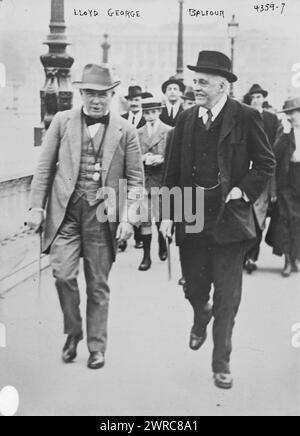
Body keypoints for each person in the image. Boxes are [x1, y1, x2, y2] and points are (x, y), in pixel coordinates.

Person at [160, 51, 275, 389]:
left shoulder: (246, 116)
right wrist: (167, 214)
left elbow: (265, 164)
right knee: (195, 288)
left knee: (227, 296)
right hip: (191, 214)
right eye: (195, 81)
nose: (196, 88)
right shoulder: (185, 119)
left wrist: (242, 191)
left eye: (203, 83)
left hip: (230, 220)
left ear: (223, 85)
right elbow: (172, 170)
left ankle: (221, 361)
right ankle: (200, 315)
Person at [28, 64, 144, 370]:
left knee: (97, 284)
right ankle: (73, 330)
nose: (97, 100)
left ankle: (96, 347)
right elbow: (43, 168)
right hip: (65, 213)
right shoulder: (62, 122)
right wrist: (36, 208)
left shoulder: (126, 131)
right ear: (81, 94)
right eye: (91, 93)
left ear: (112, 95)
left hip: (102, 217)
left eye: (103, 94)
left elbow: (136, 181)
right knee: (63, 275)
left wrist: (129, 218)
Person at [243, 84, 279, 273]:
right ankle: (243, 255)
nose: (257, 99)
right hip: (244, 173)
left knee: (259, 217)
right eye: (253, 96)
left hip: (263, 174)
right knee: (243, 216)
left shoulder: (272, 119)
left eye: (259, 96)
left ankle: (251, 256)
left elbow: (274, 148)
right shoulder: (243, 116)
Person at [266, 97, 300, 277]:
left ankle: (295, 258)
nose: (291, 117)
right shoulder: (285, 136)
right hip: (286, 182)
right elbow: (272, 160)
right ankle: (287, 260)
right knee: (286, 220)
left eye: (294, 113)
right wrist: (273, 190)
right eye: (289, 114)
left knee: (298, 223)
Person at [138, 97, 172, 271]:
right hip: (144, 180)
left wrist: (162, 159)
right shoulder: (138, 132)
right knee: (145, 218)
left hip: (161, 180)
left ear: (159, 111)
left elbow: (173, 157)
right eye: (147, 113)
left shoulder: (168, 131)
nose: (150, 116)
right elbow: (133, 156)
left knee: (159, 217)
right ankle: (146, 256)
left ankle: (162, 243)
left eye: (153, 112)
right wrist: (143, 158)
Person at [120, 86, 152, 251]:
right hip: (124, 167)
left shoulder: (147, 119)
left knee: (141, 202)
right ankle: (122, 239)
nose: (134, 103)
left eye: (137, 100)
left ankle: (139, 236)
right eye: (131, 100)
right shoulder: (121, 119)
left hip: (144, 169)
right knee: (124, 200)